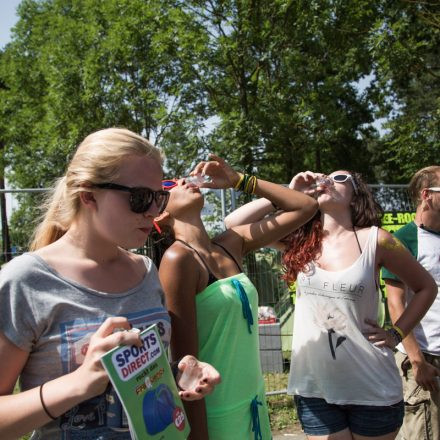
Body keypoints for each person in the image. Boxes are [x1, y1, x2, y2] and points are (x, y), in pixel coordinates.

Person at [0, 128, 221, 440]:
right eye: (140, 198)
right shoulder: (25, 281)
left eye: (160, 197)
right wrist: (78, 384)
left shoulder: (145, 271)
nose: (154, 212)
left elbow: (140, 384)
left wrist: (178, 375)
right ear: (89, 195)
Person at [224, 170, 437, 440]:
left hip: (371, 387)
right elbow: (234, 223)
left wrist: (396, 333)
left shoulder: (377, 240)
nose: (326, 180)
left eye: (339, 177)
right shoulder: (299, 241)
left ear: (354, 196)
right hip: (315, 388)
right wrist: (287, 192)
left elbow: (426, 287)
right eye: (324, 177)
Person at [153, 155, 318, 440]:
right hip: (218, 415)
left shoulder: (230, 243)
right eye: (169, 185)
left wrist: (238, 180)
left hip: (253, 403)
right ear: (160, 216)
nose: (181, 181)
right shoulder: (178, 259)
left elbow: (305, 206)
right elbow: (186, 367)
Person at [383, 166, 440, 440]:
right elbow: (396, 304)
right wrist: (417, 361)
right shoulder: (403, 240)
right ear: (427, 195)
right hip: (427, 361)